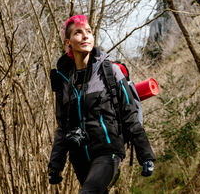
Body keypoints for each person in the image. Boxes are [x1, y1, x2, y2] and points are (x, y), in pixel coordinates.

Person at [47, 15, 155, 193]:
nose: (85, 36)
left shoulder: (109, 71)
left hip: (108, 150)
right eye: (78, 33)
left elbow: (130, 114)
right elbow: (63, 127)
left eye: (88, 32)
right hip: (80, 156)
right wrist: (55, 165)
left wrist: (146, 156)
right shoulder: (64, 80)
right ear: (68, 42)